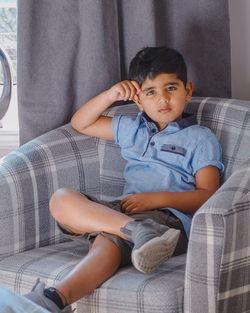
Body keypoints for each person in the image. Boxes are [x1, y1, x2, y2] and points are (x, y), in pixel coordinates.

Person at [25, 47, 224, 312]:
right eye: (151, 92)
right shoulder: (133, 129)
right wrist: (111, 95)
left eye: (171, 88)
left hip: (168, 217)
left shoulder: (200, 138)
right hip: (125, 211)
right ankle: (135, 232)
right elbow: (80, 123)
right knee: (61, 199)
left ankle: (51, 299)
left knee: (106, 242)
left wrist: (157, 198)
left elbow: (208, 195)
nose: (162, 99)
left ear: (187, 90)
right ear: (139, 100)